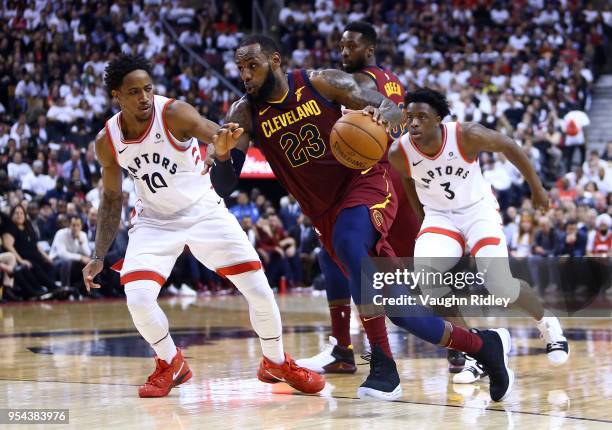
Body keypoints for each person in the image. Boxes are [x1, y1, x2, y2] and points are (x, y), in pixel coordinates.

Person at [208, 35, 517, 402]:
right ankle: (484, 346)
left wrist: (380, 113)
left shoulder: (320, 82)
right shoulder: (245, 113)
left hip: (367, 179)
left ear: (275, 61)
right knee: (402, 312)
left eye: (252, 65)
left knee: (349, 242)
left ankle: (384, 366)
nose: (245, 74)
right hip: (324, 212)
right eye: (240, 67)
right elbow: (223, 186)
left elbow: (392, 109)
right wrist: (224, 157)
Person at [81, 54, 324, 398]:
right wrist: (98, 254)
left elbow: (215, 132)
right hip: (154, 222)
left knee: (258, 287)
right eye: (134, 92)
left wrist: (223, 144)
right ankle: (171, 362)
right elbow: (110, 198)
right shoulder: (108, 140)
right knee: (137, 296)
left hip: (203, 211)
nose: (144, 98)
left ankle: (275, 362)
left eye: (148, 89)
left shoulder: (174, 113)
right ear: (116, 96)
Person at [388, 88, 569, 386]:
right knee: (429, 282)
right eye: (410, 117)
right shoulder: (399, 151)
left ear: (438, 120)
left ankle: (547, 322)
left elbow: (509, 145)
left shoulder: (465, 135)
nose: (414, 123)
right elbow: (409, 183)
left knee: (499, 284)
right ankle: (479, 350)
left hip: (477, 211)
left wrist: (537, 188)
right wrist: (425, 224)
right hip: (439, 216)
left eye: (422, 117)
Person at [297, 21, 428, 376]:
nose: (344, 53)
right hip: (389, 177)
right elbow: (397, 115)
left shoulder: (364, 83)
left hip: (379, 179)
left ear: (369, 49)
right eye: (341, 46)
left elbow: (387, 114)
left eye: (351, 47)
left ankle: (465, 343)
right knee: (336, 254)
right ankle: (343, 348)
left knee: (403, 266)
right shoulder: (388, 79)